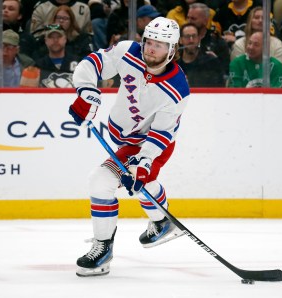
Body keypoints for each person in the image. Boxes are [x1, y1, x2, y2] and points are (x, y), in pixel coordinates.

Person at [68, 17, 189, 277]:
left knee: (103, 180)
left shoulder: (177, 89)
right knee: (133, 182)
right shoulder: (127, 52)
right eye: (149, 41)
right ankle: (162, 220)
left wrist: (144, 163)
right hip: (126, 140)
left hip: (153, 144)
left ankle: (103, 250)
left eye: (160, 44)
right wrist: (86, 91)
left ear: (173, 50)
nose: (151, 48)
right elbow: (93, 64)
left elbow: (161, 132)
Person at [186, 2, 230, 74]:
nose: (189, 21)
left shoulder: (218, 42)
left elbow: (226, 71)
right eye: (188, 18)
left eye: (193, 19)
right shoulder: (180, 40)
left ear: (205, 20)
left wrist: (215, 61)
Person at [178, 23, 225, 87]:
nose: (191, 40)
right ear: (180, 40)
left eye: (194, 36)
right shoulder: (173, 65)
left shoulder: (211, 62)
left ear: (199, 39)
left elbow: (219, 90)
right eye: (187, 37)